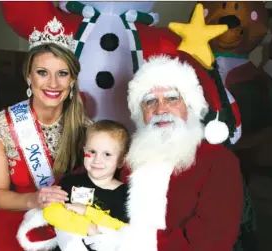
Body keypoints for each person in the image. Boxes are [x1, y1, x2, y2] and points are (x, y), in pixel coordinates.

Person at [86, 52, 244, 251]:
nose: (160, 110)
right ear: (140, 112)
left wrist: (126, 242)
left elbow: (212, 240)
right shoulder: (126, 154)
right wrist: (53, 195)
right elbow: (87, 181)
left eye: (171, 99)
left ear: (190, 106)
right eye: (150, 101)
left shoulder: (219, 161)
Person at [0, 17, 91, 251]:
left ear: (72, 80)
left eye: (62, 73)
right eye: (42, 72)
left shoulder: (87, 128)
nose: (53, 83)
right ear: (29, 76)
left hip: (67, 227)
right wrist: (34, 199)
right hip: (15, 222)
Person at [16, 120, 130, 251]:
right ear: (84, 151)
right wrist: (86, 226)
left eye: (107, 154)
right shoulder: (70, 182)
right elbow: (51, 211)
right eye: (92, 152)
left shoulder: (126, 195)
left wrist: (87, 213)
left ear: (121, 160)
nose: (97, 160)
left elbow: (120, 229)